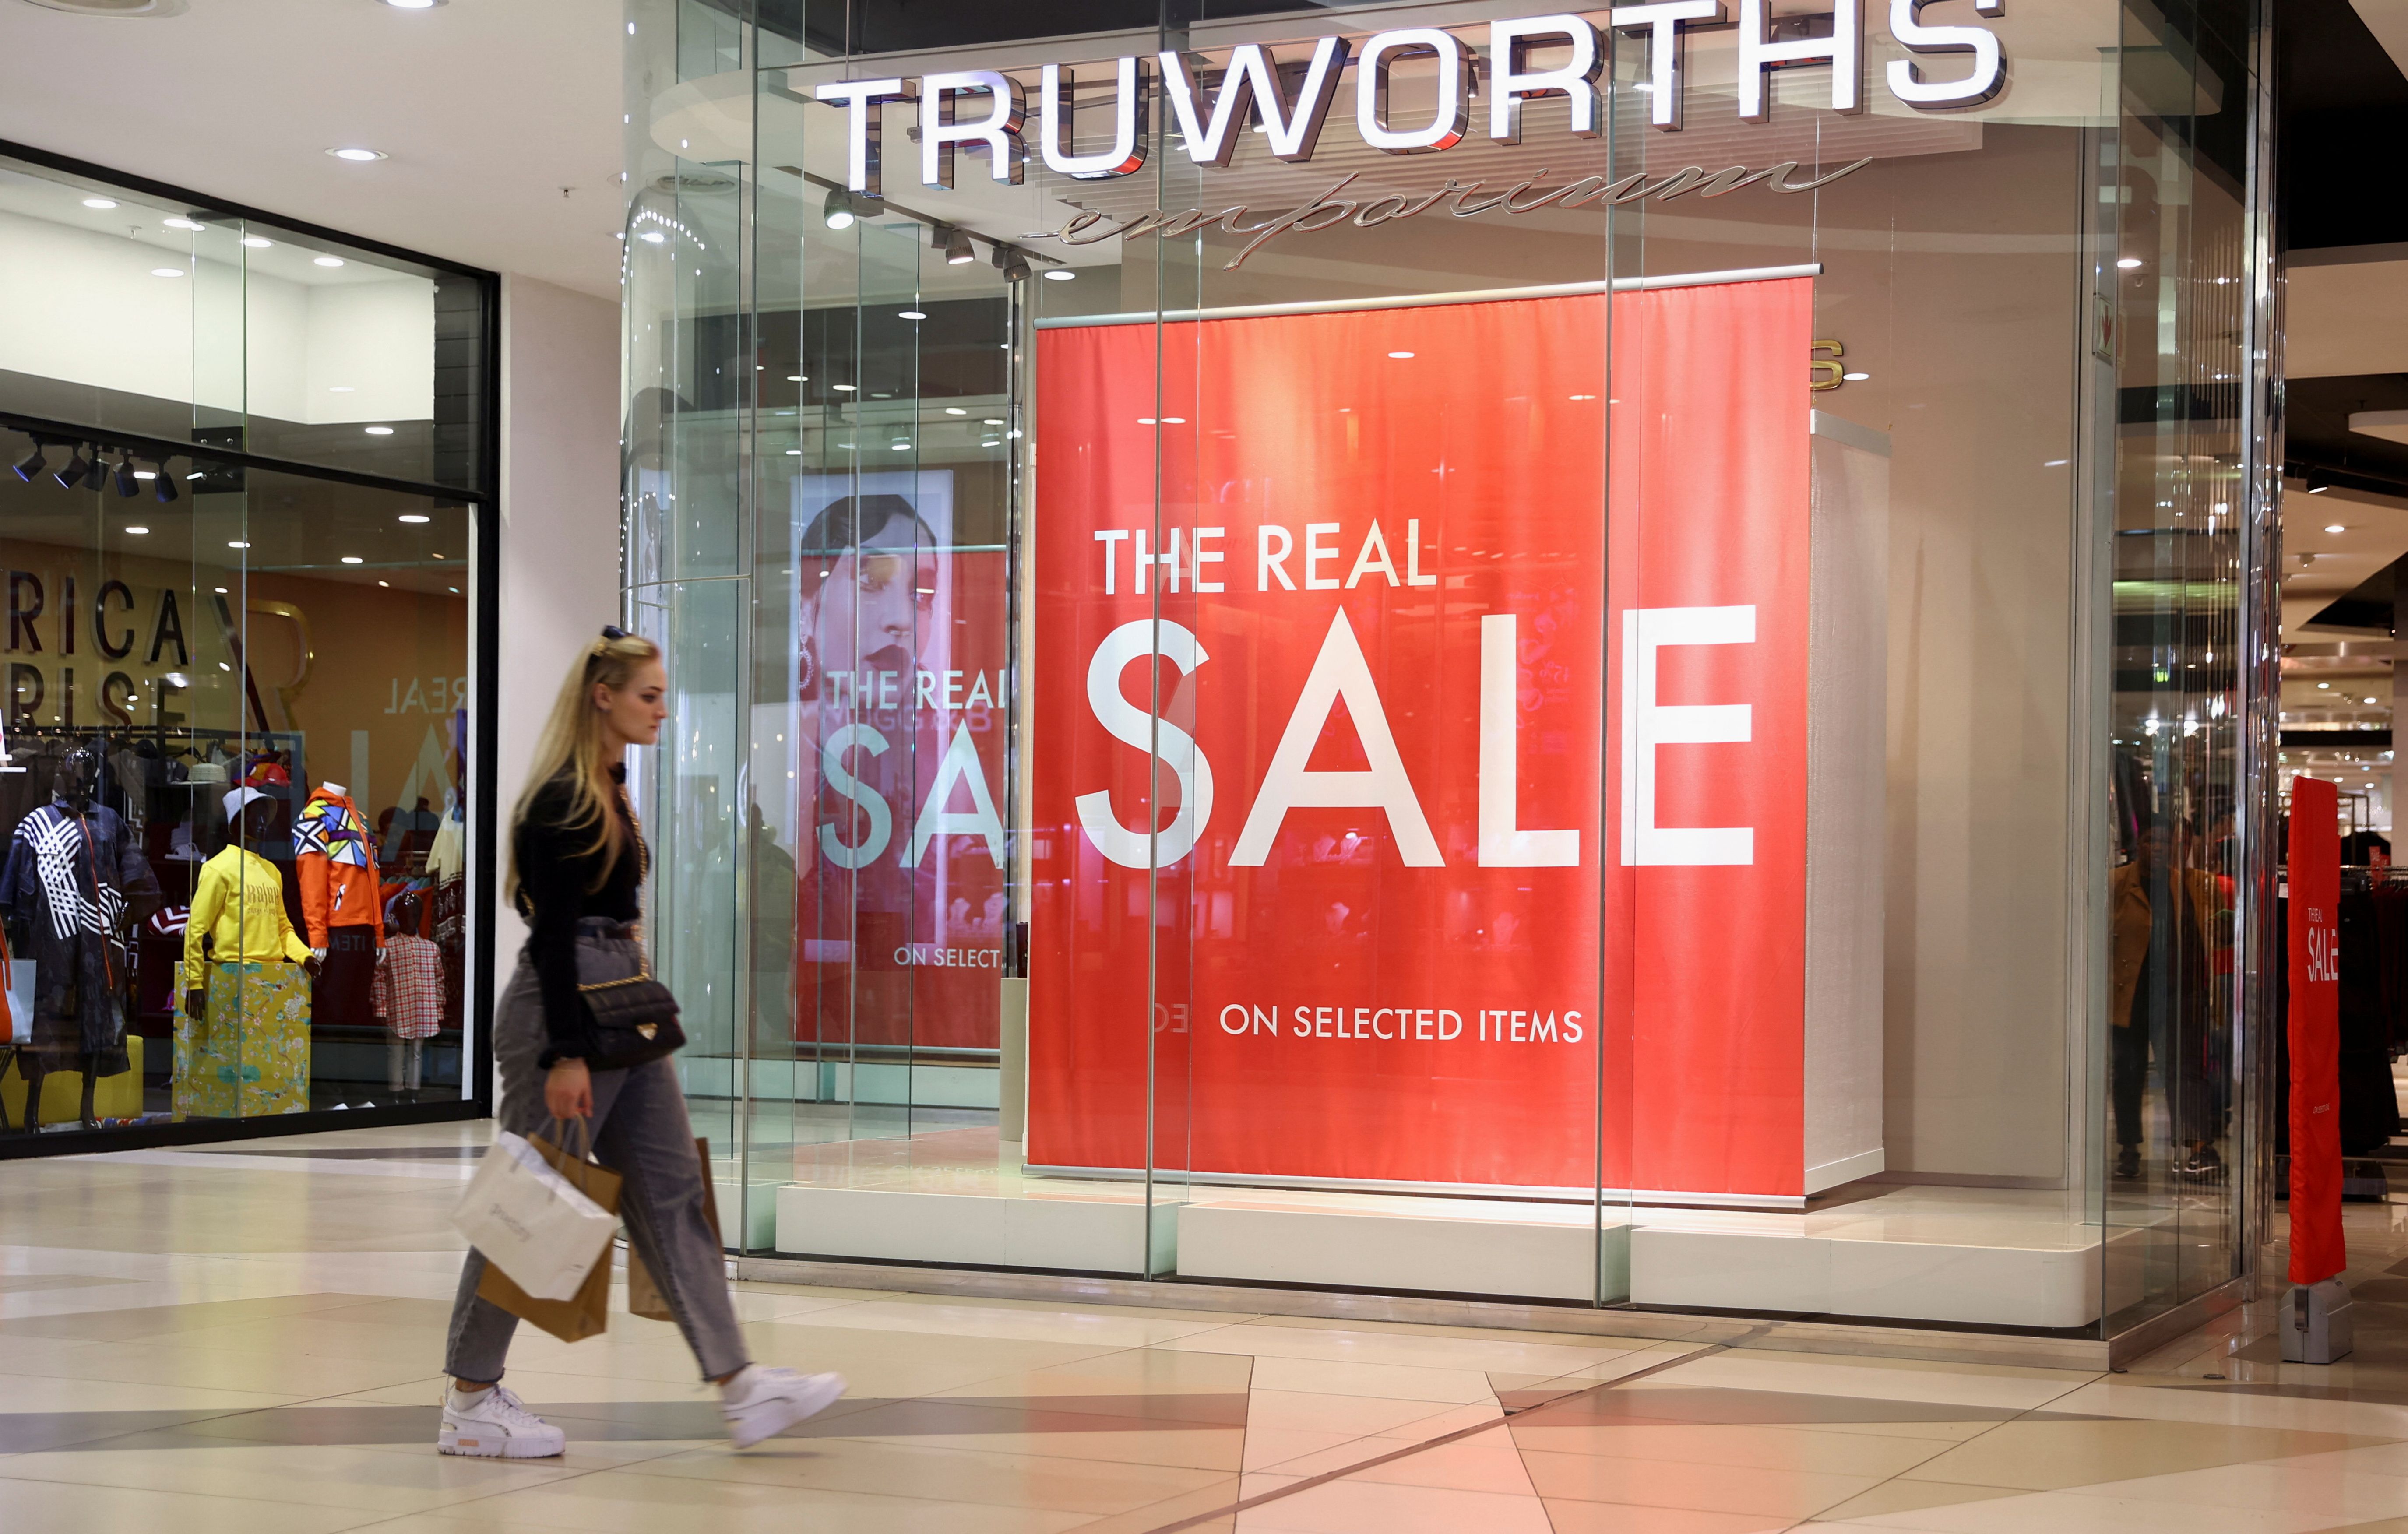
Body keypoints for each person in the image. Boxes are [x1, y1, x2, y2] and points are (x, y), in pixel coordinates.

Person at [437, 626, 845, 1458]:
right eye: (649, 695)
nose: (663, 708)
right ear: (604, 696)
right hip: (568, 1014)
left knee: (672, 1193)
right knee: (534, 1205)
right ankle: (471, 1400)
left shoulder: (609, 785)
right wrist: (562, 1053)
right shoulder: (563, 797)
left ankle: (741, 1382)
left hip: (624, 1004)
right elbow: (550, 936)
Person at [2109, 819, 2226, 1182]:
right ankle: (2129, 1147)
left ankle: (2198, 1147)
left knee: (2186, 1072)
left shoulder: (2196, 885)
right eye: (2150, 841)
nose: (2158, 848)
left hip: (2181, 995)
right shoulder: (2116, 883)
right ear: (2138, 844)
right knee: (2127, 1073)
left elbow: (2217, 936)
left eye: (2169, 842)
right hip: (2130, 995)